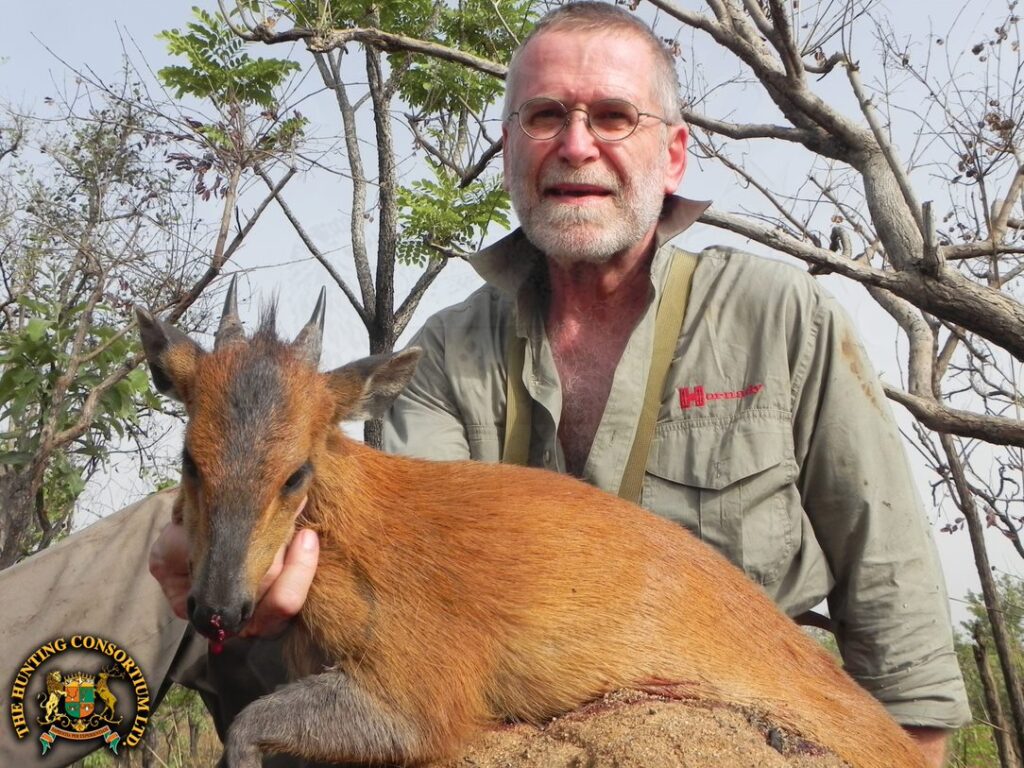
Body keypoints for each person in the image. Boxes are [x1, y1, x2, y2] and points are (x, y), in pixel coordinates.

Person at [0, 3, 968, 767]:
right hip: (493, 701)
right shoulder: (446, 351)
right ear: (508, 148)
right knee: (156, 541)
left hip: (718, 721)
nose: (576, 145)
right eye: (545, 117)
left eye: (613, 117)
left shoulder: (780, 315)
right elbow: (395, 587)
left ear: (673, 153)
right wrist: (212, 552)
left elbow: (893, 594)